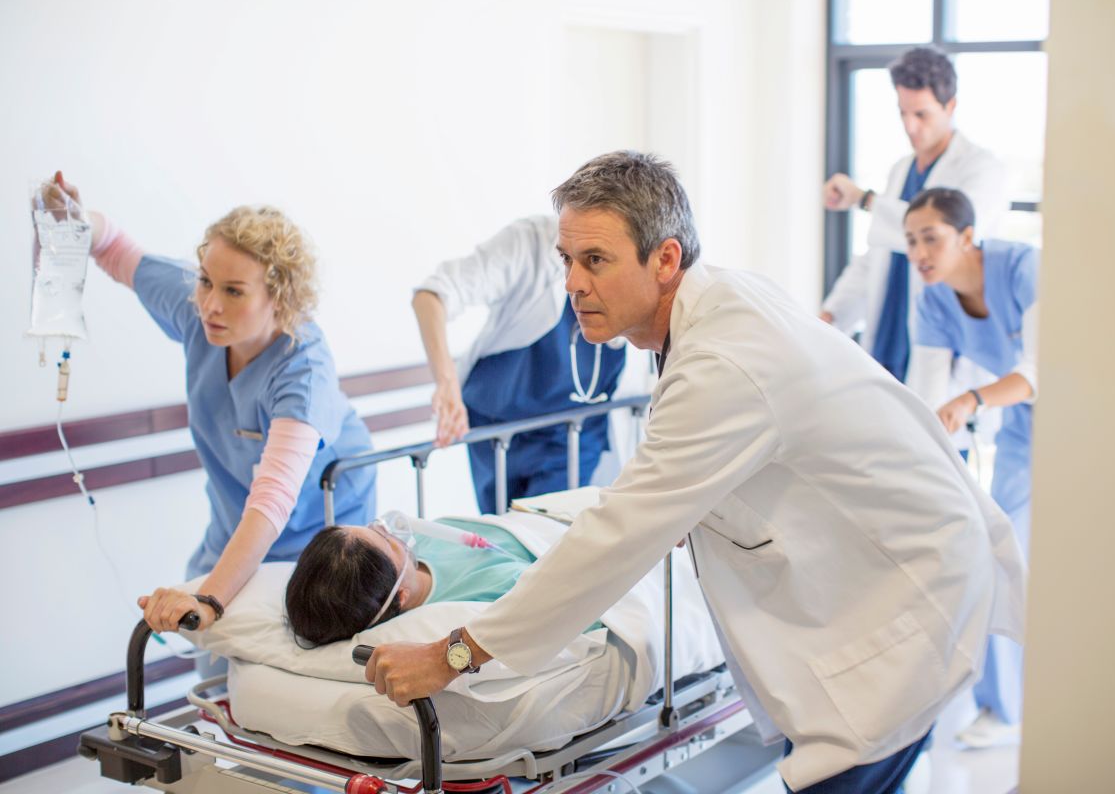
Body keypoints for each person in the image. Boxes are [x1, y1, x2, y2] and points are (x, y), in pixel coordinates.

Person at [358, 151, 1027, 794]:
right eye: (567, 260)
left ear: (666, 259)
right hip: (891, 576)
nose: (572, 284)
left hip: (902, 604)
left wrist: (452, 654)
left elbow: (616, 538)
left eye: (596, 260)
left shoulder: (722, 362)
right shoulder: (715, 309)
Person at [43, 173, 377, 642]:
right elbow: (116, 250)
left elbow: (274, 497)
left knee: (279, 650)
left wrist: (211, 599)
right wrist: (77, 221)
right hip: (234, 526)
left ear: (280, 299)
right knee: (208, 644)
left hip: (319, 543)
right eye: (205, 281)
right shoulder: (202, 310)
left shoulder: (304, 373)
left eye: (234, 291)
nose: (210, 305)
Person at [904, 187, 1038, 749]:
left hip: (1086, 417)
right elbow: (927, 393)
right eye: (910, 242)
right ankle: (1003, 709)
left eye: (930, 238)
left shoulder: (1022, 268)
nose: (920, 252)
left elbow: (1040, 367)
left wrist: (973, 400)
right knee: (1001, 554)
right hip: (1025, 431)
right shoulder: (933, 299)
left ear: (966, 236)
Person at [413, 215, 646, 514]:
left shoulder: (637, 256)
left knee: (539, 537)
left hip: (573, 431)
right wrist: (446, 384)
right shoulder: (530, 243)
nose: (576, 279)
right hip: (494, 425)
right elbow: (431, 296)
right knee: (499, 537)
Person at [821, 46, 1008, 390]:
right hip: (888, 340)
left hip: (940, 347)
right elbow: (874, 257)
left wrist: (865, 199)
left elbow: (945, 234)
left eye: (921, 114)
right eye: (902, 112)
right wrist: (833, 314)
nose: (910, 126)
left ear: (950, 106)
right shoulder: (901, 170)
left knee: (938, 432)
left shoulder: (981, 169)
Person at [284, 517, 600, 647]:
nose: (389, 528)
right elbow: (585, 613)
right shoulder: (482, 595)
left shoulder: (427, 537)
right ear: (402, 596)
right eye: (388, 541)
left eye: (375, 526)